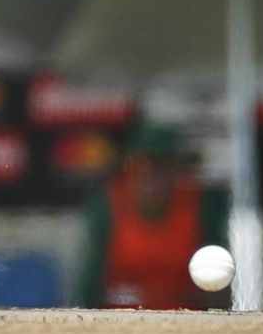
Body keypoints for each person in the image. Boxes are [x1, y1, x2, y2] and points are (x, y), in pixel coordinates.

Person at [75, 123, 231, 310]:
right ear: (128, 167)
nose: (152, 174)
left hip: (188, 323)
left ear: (176, 168)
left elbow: (219, 283)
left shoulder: (201, 205)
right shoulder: (108, 206)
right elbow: (91, 280)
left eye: (163, 164)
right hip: (119, 322)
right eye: (143, 165)